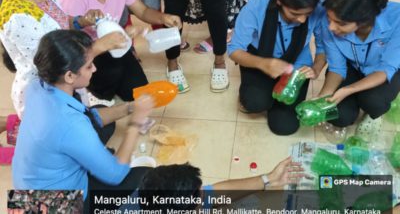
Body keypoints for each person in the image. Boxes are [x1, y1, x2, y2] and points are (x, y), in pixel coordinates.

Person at [12, 30, 155, 206]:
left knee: (100, 112)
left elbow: (90, 117)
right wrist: (136, 122)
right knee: (146, 179)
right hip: (52, 205)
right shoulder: (69, 123)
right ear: (69, 76)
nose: (94, 68)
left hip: (27, 191)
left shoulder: (36, 86)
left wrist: (131, 107)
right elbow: (116, 174)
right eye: (88, 66)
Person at [0, 0, 125, 117]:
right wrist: (99, 46)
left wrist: (81, 21)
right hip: (46, 97)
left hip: (66, 84)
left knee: (94, 120)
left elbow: (58, 25)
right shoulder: (18, 17)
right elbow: (54, 64)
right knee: (86, 130)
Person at [58, 0, 182, 103]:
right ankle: (95, 93)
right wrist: (83, 21)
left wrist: (164, 17)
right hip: (88, 53)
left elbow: (143, 11)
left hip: (115, 46)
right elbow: (65, 35)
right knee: (109, 82)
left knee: (139, 91)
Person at [228, 0, 326, 136]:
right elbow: (234, 50)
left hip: (296, 64)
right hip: (260, 59)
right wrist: (264, 63)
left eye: (307, 14)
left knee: (284, 127)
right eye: (295, 13)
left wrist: (316, 68)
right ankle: (259, 93)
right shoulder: (259, 3)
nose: (302, 20)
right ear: (280, 1)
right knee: (255, 102)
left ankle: (275, 99)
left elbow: (323, 46)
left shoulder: (319, 8)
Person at [317, 0, 400, 143]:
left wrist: (348, 90)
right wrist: (323, 97)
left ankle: (373, 116)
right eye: (329, 18)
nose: (331, 27)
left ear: (363, 21)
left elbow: (385, 69)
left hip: (381, 70)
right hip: (353, 66)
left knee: (373, 102)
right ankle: (353, 101)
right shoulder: (329, 24)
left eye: (340, 23)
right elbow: (337, 68)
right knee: (338, 115)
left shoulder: (396, 20)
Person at [119, 157, 303, 212]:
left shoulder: (150, 191)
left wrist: (268, 179)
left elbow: (214, 194)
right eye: (199, 201)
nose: (203, 197)